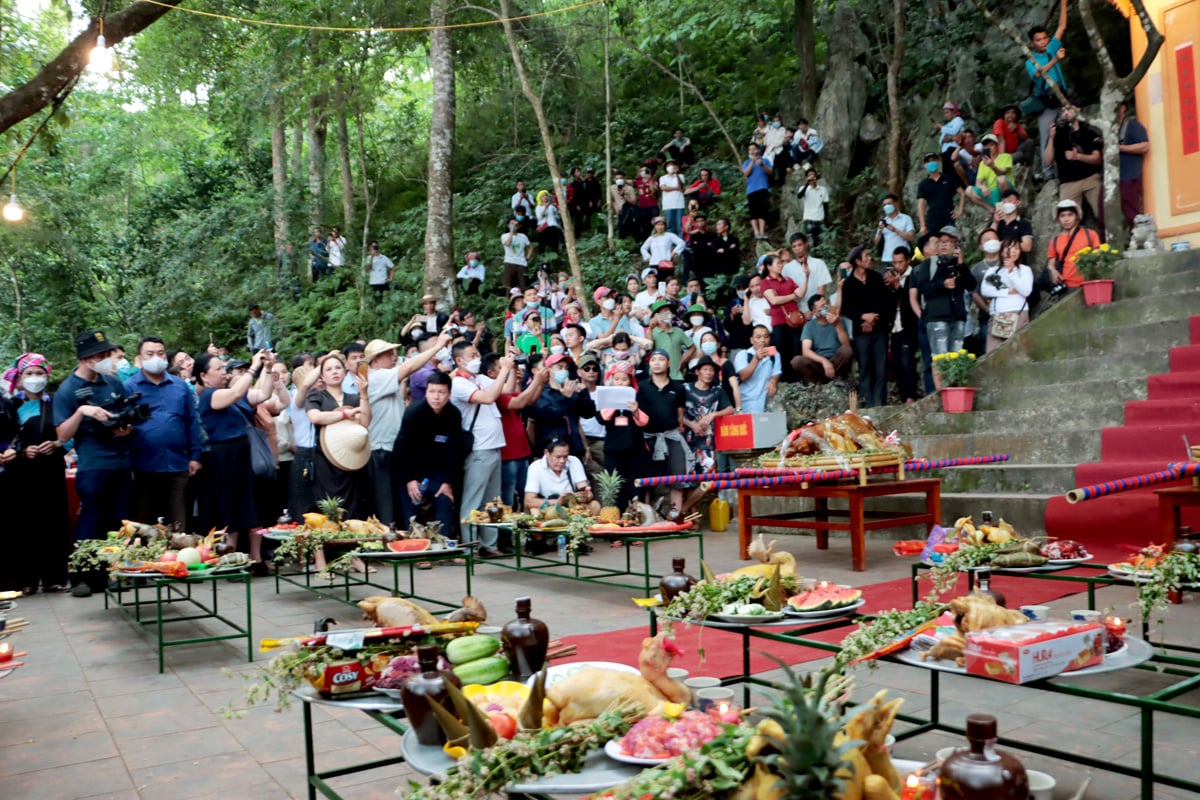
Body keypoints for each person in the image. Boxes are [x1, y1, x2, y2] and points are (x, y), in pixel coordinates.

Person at [53, 330, 133, 561]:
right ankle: (82, 573)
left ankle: (117, 572)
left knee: (119, 520)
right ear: (86, 358)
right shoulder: (68, 390)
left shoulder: (113, 382)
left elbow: (126, 417)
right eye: (102, 355)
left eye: (108, 353)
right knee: (92, 518)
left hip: (121, 461)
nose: (107, 359)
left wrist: (126, 428)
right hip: (93, 465)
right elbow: (62, 434)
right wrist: (81, 412)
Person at [195, 350, 275, 558]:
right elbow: (234, 394)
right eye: (218, 369)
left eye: (224, 368)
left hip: (243, 454)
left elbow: (263, 394)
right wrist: (253, 367)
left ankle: (256, 557)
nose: (224, 372)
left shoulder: (235, 395)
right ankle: (231, 556)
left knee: (251, 504)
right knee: (229, 507)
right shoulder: (209, 396)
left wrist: (267, 369)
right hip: (223, 458)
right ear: (203, 376)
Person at [364, 333, 450, 525]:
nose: (394, 357)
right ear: (376, 360)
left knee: (401, 502)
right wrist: (435, 348)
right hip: (381, 450)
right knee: (384, 503)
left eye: (394, 353)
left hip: (395, 449)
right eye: (389, 354)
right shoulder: (377, 377)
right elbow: (409, 367)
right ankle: (385, 545)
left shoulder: (386, 378)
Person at [5, 354, 70, 594]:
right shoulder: (10, 406)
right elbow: (6, 439)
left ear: (47, 375)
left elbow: (69, 434)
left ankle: (55, 577)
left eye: (39, 373)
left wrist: (56, 444)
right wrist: (21, 451)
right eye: (29, 374)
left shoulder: (56, 403)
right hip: (21, 475)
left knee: (54, 523)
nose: (35, 379)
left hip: (51, 471)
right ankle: (26, 580)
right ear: (20, 379)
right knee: (24, 526)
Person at [124, 336, 204, 527]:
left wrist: (195, 456)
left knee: (177, 519)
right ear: (140, 358)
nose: (156, 357)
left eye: (160, 353)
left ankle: (179, 556)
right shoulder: (129, 387)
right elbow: (123, 425)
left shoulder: (180, 386)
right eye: (149, 354)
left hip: (177, 463)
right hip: (143, 465)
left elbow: (192, 421)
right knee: (144, 522)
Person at [450, 342, 516, 558]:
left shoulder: (479, 378)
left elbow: (506, 389)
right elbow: (487, 398)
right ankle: (469, 546)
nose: (477, 357)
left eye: (477, 352)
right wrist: (504, 370)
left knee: (492, 501)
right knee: (473, 500)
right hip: (478, 448)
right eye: (472, 354)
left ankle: (489, 545)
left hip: (494, 446)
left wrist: (511, 366)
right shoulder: (459, 383)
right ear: (460, 361)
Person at [394, 372, 462, 538]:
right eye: (432, 392)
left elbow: (454, 451)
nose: (436, 397)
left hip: (437, 470)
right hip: (411, 469)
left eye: (441, 392)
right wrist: (410, 480)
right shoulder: (414, 412)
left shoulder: (453, 414)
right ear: (426, 393)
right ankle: (416, 550)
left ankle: (444, 545)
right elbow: (402, 449)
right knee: (411, 507)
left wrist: (447, 481)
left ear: (449, 394)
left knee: (445, 499)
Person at [919, 228, 978, 387]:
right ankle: (941, 394)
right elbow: (923, 288)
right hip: (937, 318)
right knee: (939, 358)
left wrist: (962, 265)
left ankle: (954, 391)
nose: (943, 245)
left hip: (957, 317)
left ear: (956, 246)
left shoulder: (959, 266)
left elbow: (972, 285)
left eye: (948, 242)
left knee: (955, 358)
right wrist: (942, 284)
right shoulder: (929, 264)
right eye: (940, 242)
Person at [1021, 0, 1071, 179]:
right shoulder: (1030, 61)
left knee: (1067, 130)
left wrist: (1063, 4)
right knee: (1046, 137)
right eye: (1039, 40)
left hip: (1062, 98)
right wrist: (1056, 60)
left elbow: (1062, 26)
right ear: (1032, 43)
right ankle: (1048, 172)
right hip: (1048, 102)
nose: (1043, 42)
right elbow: (1038, 74)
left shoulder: (1051, 48)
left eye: (1045, 38)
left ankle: (1067, 165)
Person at [840, 245, 894, 407]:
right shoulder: (849, 283)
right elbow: (846, 308)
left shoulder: (876, 278)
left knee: (880, 367)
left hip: (880, 329)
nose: (870, 258)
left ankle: (879, 403)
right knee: (865, 367)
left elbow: (887, 302)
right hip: (861, 331)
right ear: (857, 261)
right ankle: (867, 403)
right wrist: (863, 317)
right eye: (866, 256)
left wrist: (874, 318)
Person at [493, 353, 548, 512]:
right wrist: (536, 381)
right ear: (491, 374)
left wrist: (541, 383)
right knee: (508, 499)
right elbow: (521, 401)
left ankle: (526, 530)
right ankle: (507, 536)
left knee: (527, 495)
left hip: (522, 452)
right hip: (508, 455)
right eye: (501, 368)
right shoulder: (496, 396)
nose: (506, 369)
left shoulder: (505, 393)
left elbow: (529, 400)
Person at [637, 350, 690, 512]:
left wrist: (679, 427)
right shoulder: (641, 387)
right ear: (649, 364)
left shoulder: (678, 387)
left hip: (671, 436)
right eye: (653, 360)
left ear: (669, 363)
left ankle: (675, 516)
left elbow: (680, 415)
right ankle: (644, 516)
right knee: (645, 480)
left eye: (661, 359)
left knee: (677, 477)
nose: (657, 363)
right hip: (647, 437)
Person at [681, 355, 732, 509]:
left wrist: (713, 415)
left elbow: (730, 409)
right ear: (697, 371)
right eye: (705, 369)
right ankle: (692, 519)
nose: (709, 373)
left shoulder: (718, 391)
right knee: (689, 481)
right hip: (688, 441)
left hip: (709, 442)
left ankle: (683, 510)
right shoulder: (686, 389)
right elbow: (677, 413)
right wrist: (692, 425)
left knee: (708, 480)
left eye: (711, 370)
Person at [525, 353, 596, 458]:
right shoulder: (540, 392)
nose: (564, 371)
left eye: (566, 367)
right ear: (548, 369)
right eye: (559, 367)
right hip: (551, 450)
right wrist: (566, 398)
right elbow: (549, 415)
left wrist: (584, 392)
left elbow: (588, 413)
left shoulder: (572, 390)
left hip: (574, 449)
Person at [598, 362, 647, 510]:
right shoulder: (605, 396)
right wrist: (613, 404)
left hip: (635, 448)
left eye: (624, 379)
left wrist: (635, 410)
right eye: (617, 379)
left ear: (630, 380)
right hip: (613, 449)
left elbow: (645, 422)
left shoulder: (638, 396)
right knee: (615, 484)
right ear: (611, 379)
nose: (620, 382)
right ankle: (615, 515)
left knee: (635, 484)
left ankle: (636, 513)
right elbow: (601, 419)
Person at [1045, 107, 1103, 231]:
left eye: (1069, 109)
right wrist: (1051, 138)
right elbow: (1048, 160)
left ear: (1078, 109)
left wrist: (1078, 156)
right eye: (1063, 111)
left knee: (1102, 212)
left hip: (1090, 178)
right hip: (1068, 182)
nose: (1066, 113)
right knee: (1067, 219)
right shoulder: (1058, 132)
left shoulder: (1089, 130)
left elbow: (1098, 158)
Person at [981, 238, 1034, 352]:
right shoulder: (993, 271)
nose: (1013, 251)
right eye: (1009, 248)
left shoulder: (1024, 270)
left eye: (1016, 248)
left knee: (1018, 351)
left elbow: (1026, 291)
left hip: (1018, 313)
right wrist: (1006, 292)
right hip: (997, 314)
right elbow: (985, 290)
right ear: (1001, 251)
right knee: (993, 351)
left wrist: (1012, 273)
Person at [760, 254, 804, 381]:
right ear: (769, 267)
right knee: (781, 350)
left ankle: (798, 378)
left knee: (796, 347)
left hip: (795, 320)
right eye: (778, 263)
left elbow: (800, 293)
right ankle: (785, 378)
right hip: (779, 321)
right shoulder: (765, 282)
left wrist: (806, 276)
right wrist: (792, 296)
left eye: (781, 263)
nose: (781, 265)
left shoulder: (788, 279)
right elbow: (773, 300)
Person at [792, 295, 853, 384]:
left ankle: (839, 378)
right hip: (819, 363)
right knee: (797, 361)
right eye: (822, 306)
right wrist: (824, 361)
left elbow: (846, 343)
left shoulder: (839, 321)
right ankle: (815, 382)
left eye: (827, 304)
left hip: (836, 361)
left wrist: (837, 325)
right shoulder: (809, 326)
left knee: (847, 350)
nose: (827, 307)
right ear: (814, 312)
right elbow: (806, 351)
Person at [524, 436, 592, 512]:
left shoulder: (574, 461)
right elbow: (528, 501)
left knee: (594, 505)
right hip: (548, 507)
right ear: (547, 453)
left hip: (572, 506)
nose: (562, 461)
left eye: (565, 456)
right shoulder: (535, 467)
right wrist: (557, 502)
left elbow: (583, 487)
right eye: (558, 457)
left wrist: (585, 494)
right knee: (534, 510)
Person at [1045, 199, 1101, 290]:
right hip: (1066, 286)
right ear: (1058, 219)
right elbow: (1051, 264)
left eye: (1070, 215)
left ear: (1077, 216)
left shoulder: (1090, 234)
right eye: (1062, 216)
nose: (1066, 219)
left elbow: (1099, 256)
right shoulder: (1055, 240)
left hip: (1089, 283)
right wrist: (1053, 271)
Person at [888, 247, 921, 403]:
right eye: (895, 262)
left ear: (908, 260)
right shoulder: (895, 277)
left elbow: (910, 302)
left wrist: (897, 287)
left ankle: (911, 397)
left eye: (900, 262)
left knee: (907, 361)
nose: (897, 266)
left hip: (909, 325)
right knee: (895, 363)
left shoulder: (913, 276)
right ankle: (903, 397)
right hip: (895, 326)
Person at [1117, 99, 1150, 227]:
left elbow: (1145, 146)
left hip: (1129, 177)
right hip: (1109, 178)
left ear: (1123, 108)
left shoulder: (1133, 126)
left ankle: (1136, 241)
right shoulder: (1108, 128)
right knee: (1104, 216)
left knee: (1132, 214)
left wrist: (1121, 148)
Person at [733, 325, 780, 413]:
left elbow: (776, 372)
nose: (762, 340)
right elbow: (743, 377)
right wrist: (756, 359)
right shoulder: (743, 355)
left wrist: (773, 380)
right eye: (758, 337)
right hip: (747, 401)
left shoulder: (775, 354)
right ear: (751, 340)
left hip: (766, 401)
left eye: (766, 337)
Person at [916, 152, 964, 236]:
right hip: (932, 219)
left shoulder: (948, 178)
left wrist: (960, 210)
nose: (931, 163)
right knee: (933, 243)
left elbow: (962, 193)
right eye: (928, 161)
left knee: (949, 241)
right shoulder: (923, 184)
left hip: (948, 217)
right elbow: (921, 205)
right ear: (925, 165)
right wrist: (922, 225)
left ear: (938, 162)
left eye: (933, 160)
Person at [785, 232, 832, 315]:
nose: (797, 249)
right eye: (794, 246)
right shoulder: (787, 268)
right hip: (795, 312)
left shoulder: (818, 263)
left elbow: (821, 289)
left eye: (800, 245)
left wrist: (811, 311)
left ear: (806, 244)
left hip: (817, 311)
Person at [646, 299, 693, 380]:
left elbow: (692, 347)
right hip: (657, 376)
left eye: (669, 311)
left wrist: (683, 361)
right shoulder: (652, 331)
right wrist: (650, 329)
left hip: (676, 375)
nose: (667, 313)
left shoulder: (678, 331)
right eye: (664, 311)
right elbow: (649, 348)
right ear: (657, 315)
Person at [874, 194, 917, 268]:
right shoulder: (883, 221)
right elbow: (875, 243)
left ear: (896, 203)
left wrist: (895, 230)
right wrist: (880, 232)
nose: (887, 206)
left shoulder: (906, 219)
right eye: (885, 205)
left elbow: (911, 237)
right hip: (887, 259)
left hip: (902, 259)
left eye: (889, 204)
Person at [741, 143, 773, 240]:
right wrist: (752, 162)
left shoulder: (765, 160)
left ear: (758, 150)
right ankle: (756, 232)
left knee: (763, 211)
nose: (752, 151)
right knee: (753, 212)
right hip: (751, 190)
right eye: (750, 150)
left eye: (754, 149)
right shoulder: (747, 162)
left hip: (763, 188)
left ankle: (762, 232)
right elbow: (746, 173)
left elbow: (770, 172)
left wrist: (762, 165)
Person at [993, 189, 1035, 255]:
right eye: (1004, 202)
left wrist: (1005, 244)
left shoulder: (1024, 224)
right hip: (998, 262)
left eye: (1010, 201)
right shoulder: (996, 223)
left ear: (1018, 203)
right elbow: (988, 242)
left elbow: (1027, 247)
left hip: (1018, 263)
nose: (1006, 204)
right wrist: (995, 223)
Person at [796, 168, 830, 245]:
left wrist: (826, 219)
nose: (812, 177)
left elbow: (826, 206)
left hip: (820, 219)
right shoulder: (803, 189)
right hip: (808, 219)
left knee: (823, 242)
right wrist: (807, 183)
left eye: (813, 175)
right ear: (806, 177)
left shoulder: (823, 189)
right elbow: (799, 196)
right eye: (809, 175)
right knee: (811, 243)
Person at [500, 218, 533, 292]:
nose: (514, 226)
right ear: (508, 225)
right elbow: (508, 244)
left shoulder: (523, 236)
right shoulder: (504, 236)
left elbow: (530, 247)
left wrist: (527, 257)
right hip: (509, 262)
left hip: (521, 262)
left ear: (519, 226)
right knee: (507, 284)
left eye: (516, 224)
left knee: (523, 284)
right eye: (512, 224)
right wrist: (511, 233)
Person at [632, 164, 661, 242]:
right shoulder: (638, 182)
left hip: (653, 206)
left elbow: (655, 191)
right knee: (644, 224)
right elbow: (627, 182)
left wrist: (650, 180)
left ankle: (655, 239)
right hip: (642, 206)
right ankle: (645, 240)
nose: (643, 172)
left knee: (654, 223)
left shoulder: (654, 181)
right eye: (641, 171)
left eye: (645, 170)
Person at [658, 161, 687, 235]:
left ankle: (681, 243)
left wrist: (676, 174)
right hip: (668, 204)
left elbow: (681, 187)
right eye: (669, 165)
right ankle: (670, 243)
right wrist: (676, 188)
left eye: (673, 165)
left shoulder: (680, 176)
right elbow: (663, 188)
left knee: (680, 225)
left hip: (679, 204)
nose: (671, 167)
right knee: (669, 225)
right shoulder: (663, 178)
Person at [610, 171, 638, 239]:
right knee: (621, 228)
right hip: (619, 211)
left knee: (632, 229)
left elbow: (634, 202)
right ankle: (621, 243)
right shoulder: (611, 188)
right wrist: (615, 207)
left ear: (624, 179)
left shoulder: (629, 188)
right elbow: (612, 199)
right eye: (617, 178)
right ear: (614, 179)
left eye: (621, 178)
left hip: (629, 211)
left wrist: (624, 195)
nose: (619, 180)